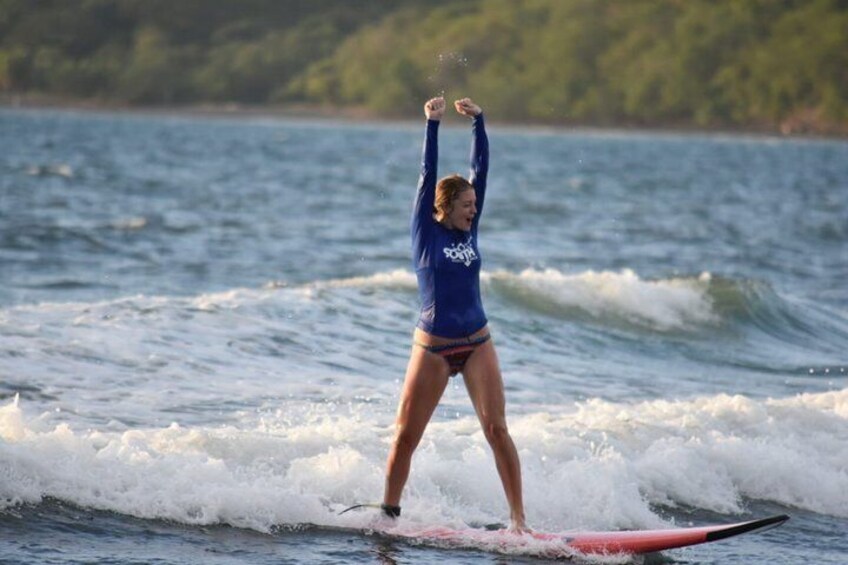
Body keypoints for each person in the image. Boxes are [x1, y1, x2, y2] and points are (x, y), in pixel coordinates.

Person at [381, 96, 528, 532]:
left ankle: (519, 522)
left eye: (475, 206)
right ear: (444, 207)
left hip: (478, 342)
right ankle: (388, 515)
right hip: (433, 350)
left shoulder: (471, 226)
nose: (473, 210)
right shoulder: (426, 233)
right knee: (407, 437)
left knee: (497, 430)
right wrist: (432, 124)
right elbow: (427, 177)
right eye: (466, 206)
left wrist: (480, 122)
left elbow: (480, 171)